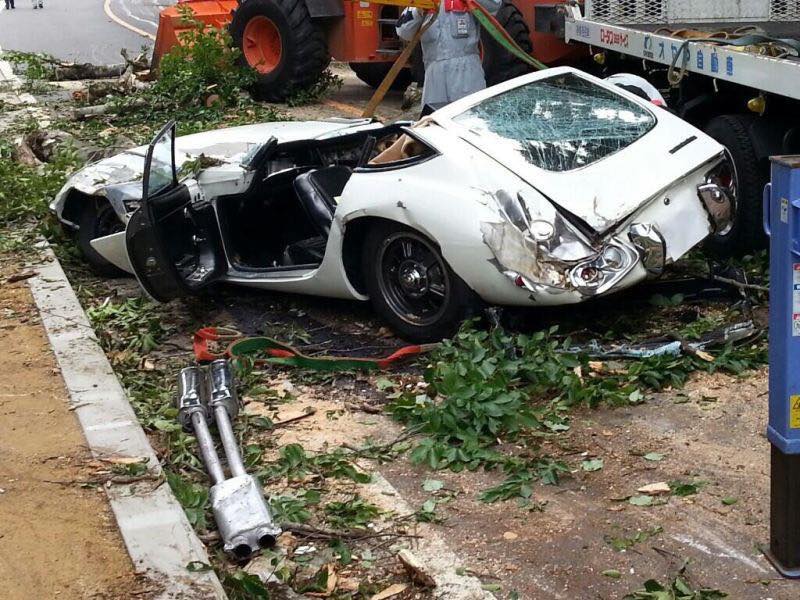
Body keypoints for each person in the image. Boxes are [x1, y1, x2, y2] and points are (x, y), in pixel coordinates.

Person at [396, 0, 501, 112]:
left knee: (470, 117)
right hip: (434, 76)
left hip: (467, 73)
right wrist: (419, 10)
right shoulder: (421, 3)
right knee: (434, 118)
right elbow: (403, 31)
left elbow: (494, 6)